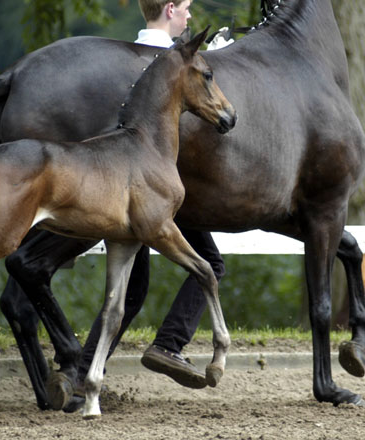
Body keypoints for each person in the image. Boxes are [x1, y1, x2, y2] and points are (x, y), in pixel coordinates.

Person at [76, 0, 232, 392]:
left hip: (124, 186)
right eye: (186, 9)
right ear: (169, 10)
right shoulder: (173, 66)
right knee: (208, 263)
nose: (189, 16)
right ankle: (169, 344)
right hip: (157, 190)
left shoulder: (124, 57)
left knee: (133, 286)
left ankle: (79, 373)